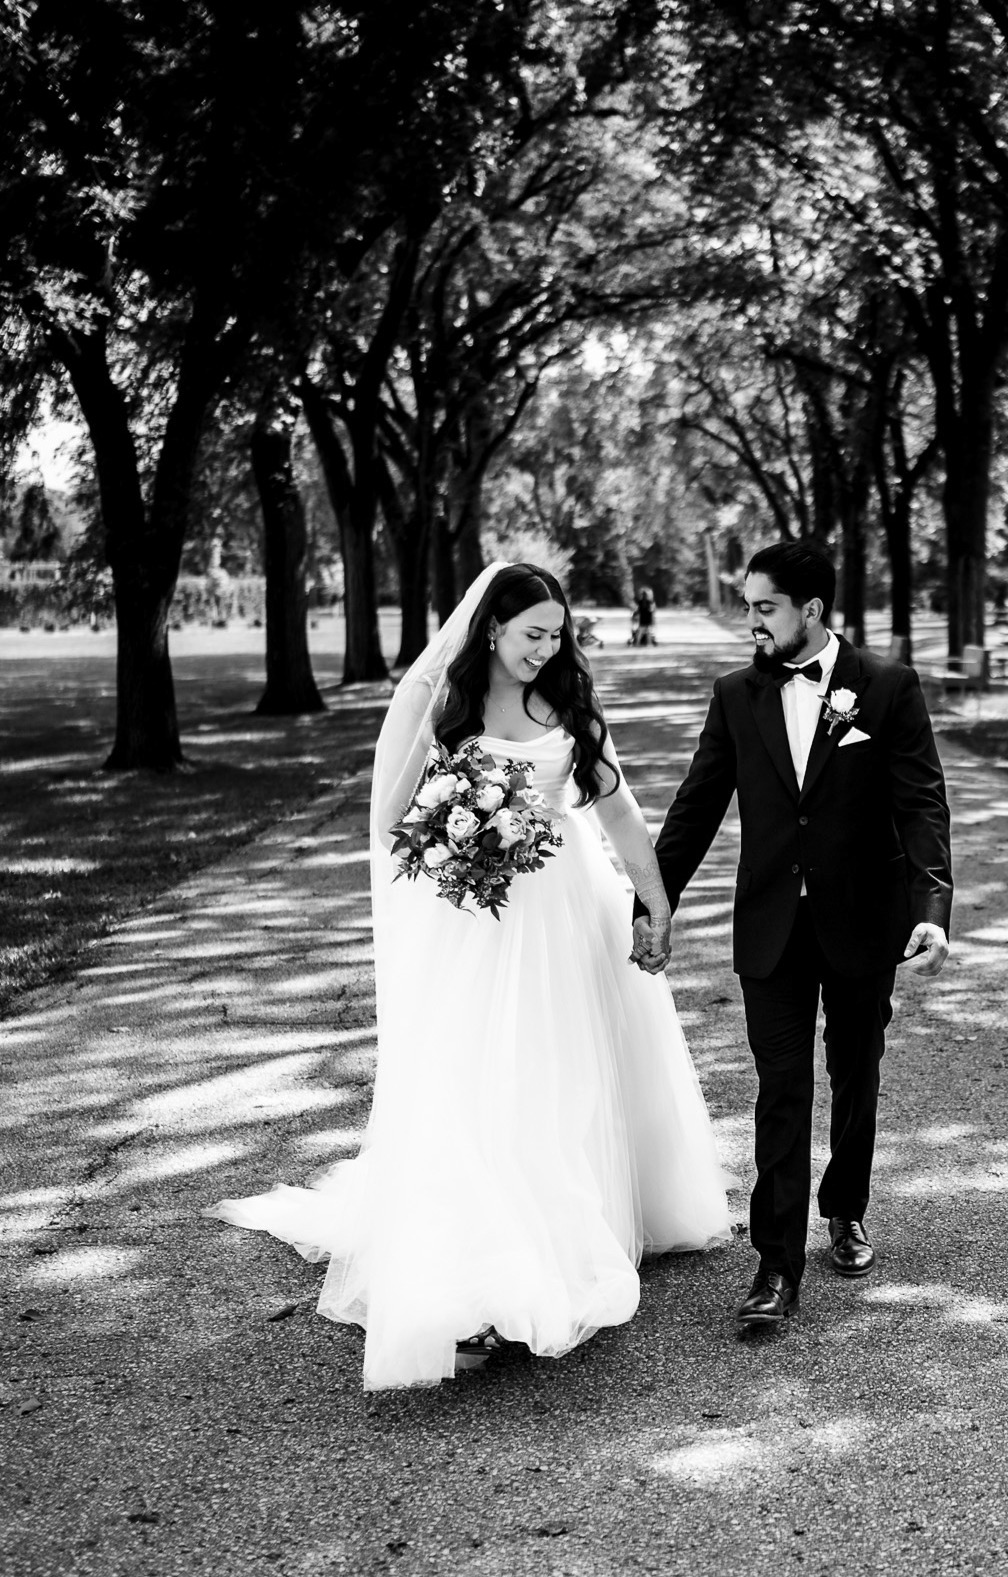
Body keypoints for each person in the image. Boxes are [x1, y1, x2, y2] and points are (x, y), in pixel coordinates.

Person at [209, 563, 728, 1388]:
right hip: (478, 925)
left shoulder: (570, 705)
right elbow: (392, 822)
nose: (547, 649)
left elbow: (620, 813)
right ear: (491, 628)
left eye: (557, 635)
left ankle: (570, 1228)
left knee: (564, 1079)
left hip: (567, 915)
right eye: (532, 635)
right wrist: (467, 829)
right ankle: (490, 1271)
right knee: (484, 1085)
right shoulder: (441, 706)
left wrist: (656, 903)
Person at [641, 541, 953, 1329]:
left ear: (810, 611)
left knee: (856, 1071)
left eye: (763, 607)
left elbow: (921, 804)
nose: (749, 620)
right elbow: (696, 806)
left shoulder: (885, 688)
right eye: (748, 606)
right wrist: (652, 899)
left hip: (862, 919)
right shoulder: (736, 694)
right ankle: (775, 1265)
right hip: (771, 925)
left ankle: (845, 1209)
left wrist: (932, 908)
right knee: (781, 1088)